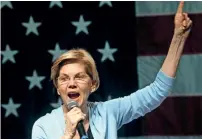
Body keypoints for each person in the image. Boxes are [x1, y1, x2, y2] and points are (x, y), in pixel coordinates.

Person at [32, 1, 192, 139]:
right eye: (64, 78)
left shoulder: (108, 113)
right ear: (57, 88)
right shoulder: (43, 126)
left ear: (93, 84)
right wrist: (68, 133)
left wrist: (178, 38)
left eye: (79, 77)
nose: (71, 84)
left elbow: (157, 91)